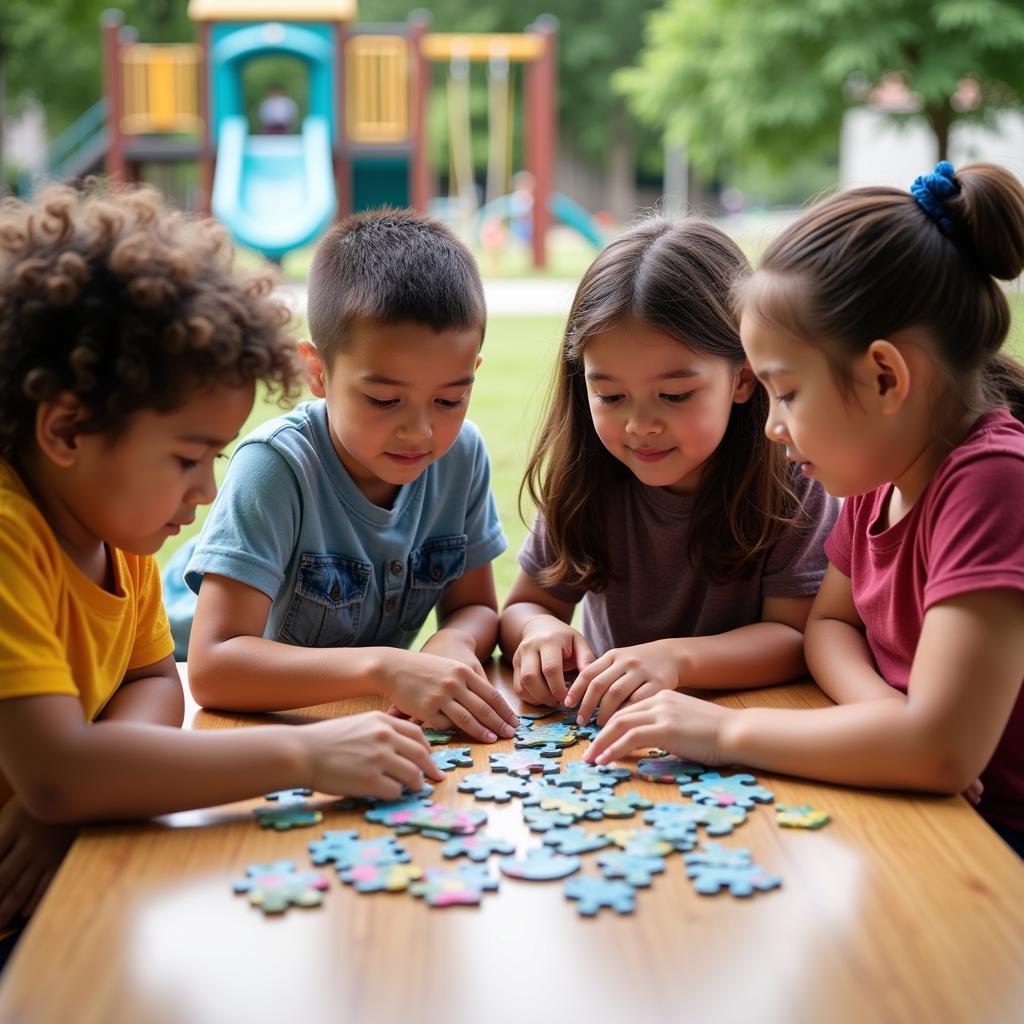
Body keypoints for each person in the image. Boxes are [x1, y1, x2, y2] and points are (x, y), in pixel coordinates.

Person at [0, 185, 443, 966]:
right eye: (187, 457)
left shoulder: (117, 532)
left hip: (65, 879)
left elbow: (154, 685)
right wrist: (306, 756)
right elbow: (62, 775)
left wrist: (80, 784)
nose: (206, 491)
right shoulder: (11, 536)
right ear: (66, 428)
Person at [586, 162, 1024, 858]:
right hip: (908, 798)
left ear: (885, 377)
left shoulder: (992, 482)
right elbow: (830, 623)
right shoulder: (878, 473)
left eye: (786, 393)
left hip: (991, 841)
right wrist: (886, 717)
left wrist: (722, 732)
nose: (772, 426)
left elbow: (943, 754)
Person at [185, 210, 518, 744]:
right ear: (318, 373)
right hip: (226, 713)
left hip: (354, 717)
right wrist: (384, 668)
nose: (421, 431)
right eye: (385, 400)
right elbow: (212, 667)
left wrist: (450, 644)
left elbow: (475, 607)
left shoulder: (461, 456)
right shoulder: (275, 466)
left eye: (450, 399)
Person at [499, 218, 839, 725]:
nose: (640, 426)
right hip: (612, 740)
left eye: (675, 395)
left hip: (746, 728)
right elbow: (523, 608)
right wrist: (539, 632)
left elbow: (795, 637)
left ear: (743, 378)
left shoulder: (795, 481)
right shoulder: (588, 476)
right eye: (610, 396)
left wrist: (673, 660)